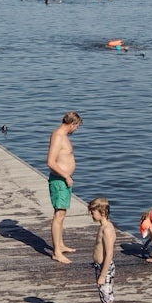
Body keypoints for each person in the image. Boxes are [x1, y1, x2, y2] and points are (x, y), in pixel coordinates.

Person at [46, 111, 82, 262]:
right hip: (59, 180)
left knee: (62, 213)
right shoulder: (58, 136)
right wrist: (66, 175)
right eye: (77, 126)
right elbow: (50, 161)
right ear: (72, 124)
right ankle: (56, 252)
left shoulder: (63, 136)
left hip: (64, 180)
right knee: (58, 215)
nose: (76, 129)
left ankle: (60, 245)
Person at [88, 198, 119, 303]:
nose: (91, 215)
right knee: (104, 301)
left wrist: (103, 274)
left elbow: (109, 254)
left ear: (102, 212)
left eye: (93, 212)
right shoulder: (103, 227)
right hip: (99, 267)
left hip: (104, 269)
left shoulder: (107, 229)